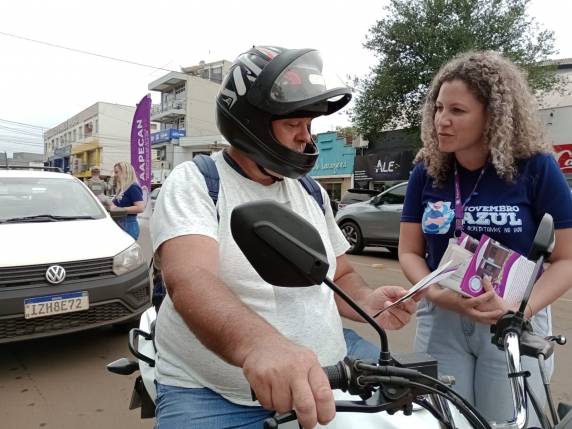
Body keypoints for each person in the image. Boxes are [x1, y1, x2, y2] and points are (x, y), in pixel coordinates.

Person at [150, 46, 417, 429]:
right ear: (253, 122)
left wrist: (367, 300)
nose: (305, 139)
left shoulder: (310, 191)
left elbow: (339, 274)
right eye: (295, 125)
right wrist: (260, 345)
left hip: (328, 373)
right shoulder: (196, 182)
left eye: (309, 126)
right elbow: (189, 279)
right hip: (215, 393)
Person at [399, 51, 572, 425]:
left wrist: (519, 311)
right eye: (438, 107)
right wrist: (434, 294)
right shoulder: (426, 173)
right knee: (444, 419)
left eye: (457, 111)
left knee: (507, 421)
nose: (441, 120)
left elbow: (566, 260)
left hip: (510, 320)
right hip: (442, 315)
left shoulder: (537, 169)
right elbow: (409, 252)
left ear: (492, 115)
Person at [110, 161, 144, 240]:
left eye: (116, 172)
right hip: (121, 224)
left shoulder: (133, 187)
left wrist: (118, 209)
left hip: (128, 225)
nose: (114, 175)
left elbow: (140, 208)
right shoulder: (123, 189)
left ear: (125, 172)